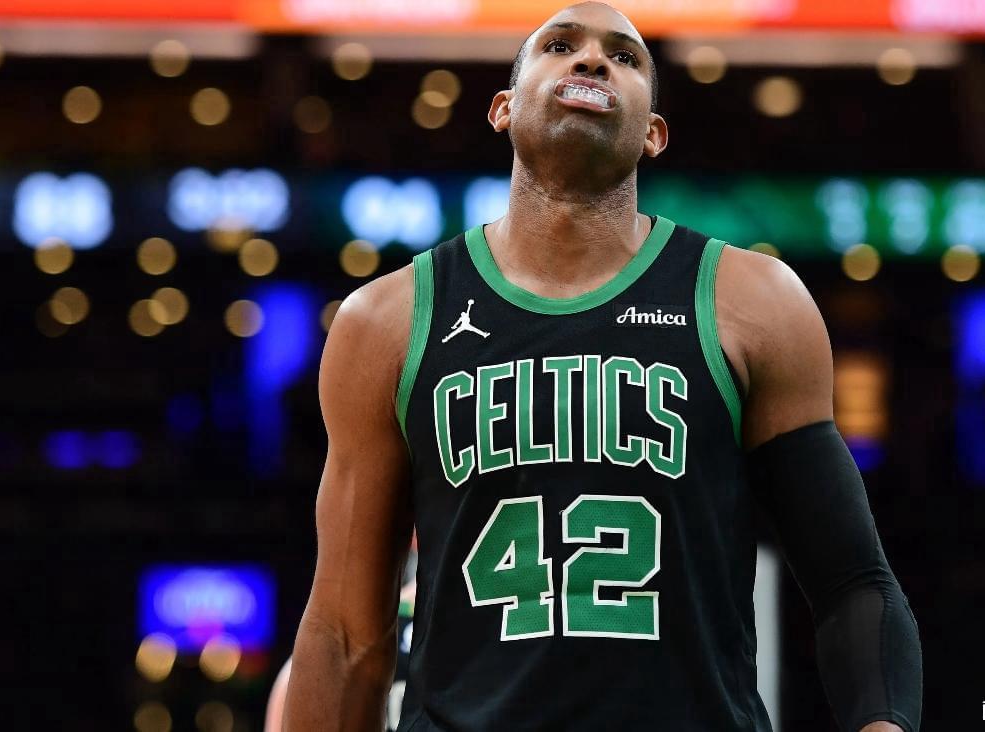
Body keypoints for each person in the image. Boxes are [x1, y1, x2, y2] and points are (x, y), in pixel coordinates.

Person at [283, 2, 923, 730]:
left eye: (624, 57)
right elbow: (344, 636)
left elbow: (852, 583)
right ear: (502, 109)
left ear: (654, 133)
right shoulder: (386, 321)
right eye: (560, 46)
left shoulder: (753, 302)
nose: (591, 60)